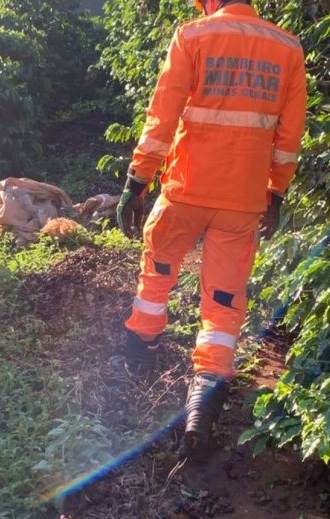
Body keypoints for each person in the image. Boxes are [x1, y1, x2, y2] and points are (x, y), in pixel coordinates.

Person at [115, 0, 307, 456]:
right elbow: (289, 135)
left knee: (158, 270)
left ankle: (141, 347)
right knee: (223, 299)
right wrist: (275, 193)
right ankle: (203, 397)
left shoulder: (193, 36)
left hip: (184, 190)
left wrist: (137, 181)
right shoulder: (287, 48)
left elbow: (162, 116)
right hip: (242, 200)